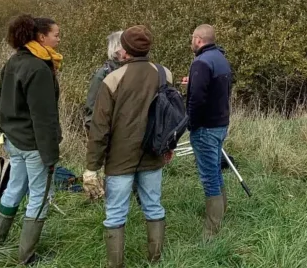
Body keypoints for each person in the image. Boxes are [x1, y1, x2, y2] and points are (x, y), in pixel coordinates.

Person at [85, 25, 174, 268]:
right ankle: (155, 261)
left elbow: (99, 128)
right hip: (153, 153)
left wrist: (91, 167)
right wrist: (169, 146)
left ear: (125, 50)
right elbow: (172, 115)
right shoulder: (164, 73)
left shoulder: (112, 79)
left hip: (120, 158)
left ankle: (116, 265)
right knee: (154, 206)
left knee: (115, 213)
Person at [0, 15, 62, 265]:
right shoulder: (38, 68)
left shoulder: (13, 61)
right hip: (34, 145)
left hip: (14, 139)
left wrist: (5, 129)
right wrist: (51, 155)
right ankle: (27, 257)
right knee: (39, 196)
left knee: (14, 188)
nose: (59, 39)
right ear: (40, 37)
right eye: (56, 34)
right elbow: (44, 118)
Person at [187, 24, 233, 241]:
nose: (191, 44)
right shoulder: (221, 58)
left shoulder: (201, 63)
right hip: (221, 123)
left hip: (205, 127)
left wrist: (191, 125)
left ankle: (211, 230)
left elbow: (196, 100)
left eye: (191, 40)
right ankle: (222, 212)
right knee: (214, 168)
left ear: (198, 40)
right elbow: (221, 90)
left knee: (208, 176)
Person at [84, 31, 125, 134]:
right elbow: (91, 108)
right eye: (126, 44)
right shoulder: (103, 75)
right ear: (117, 48)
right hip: (111, 134)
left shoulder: (135, 70)